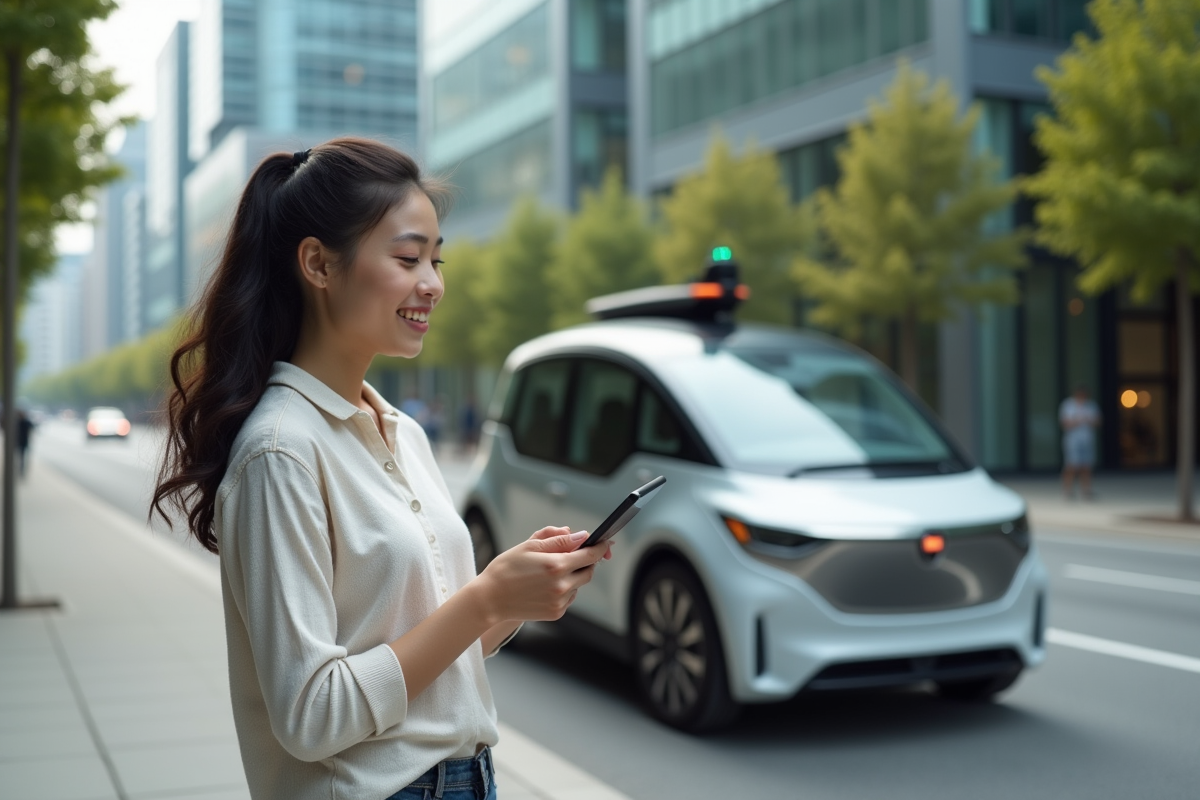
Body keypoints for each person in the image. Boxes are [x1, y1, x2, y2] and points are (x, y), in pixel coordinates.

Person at [151, 139, 611, 800]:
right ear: (317, 263)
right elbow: (311, 715)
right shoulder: (281, 451)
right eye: (406, 257)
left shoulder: (403, 431)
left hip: (467, 779)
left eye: (436, 257)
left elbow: (427, 657)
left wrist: (509, 601)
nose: (433, 283)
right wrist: (483, 597)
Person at [1060, 385, 1100, 499]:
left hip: (1087, 439)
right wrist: (1077, 421)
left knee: (1086, 466)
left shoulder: (1091, 405)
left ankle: (1086, 491)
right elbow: (1065, 423)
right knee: (1071, 465)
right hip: (1072, 440)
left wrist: (1089, 420)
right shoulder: (1068, 405)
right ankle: (1067, 491)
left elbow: (1097, 421)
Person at [16, 408, 35, 478]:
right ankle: (20, 470)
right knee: (21, 457)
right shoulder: (19, 421)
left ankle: (21, 470)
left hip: (22, 442)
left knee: (21, 457)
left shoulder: (20, 421)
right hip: (21, 442)